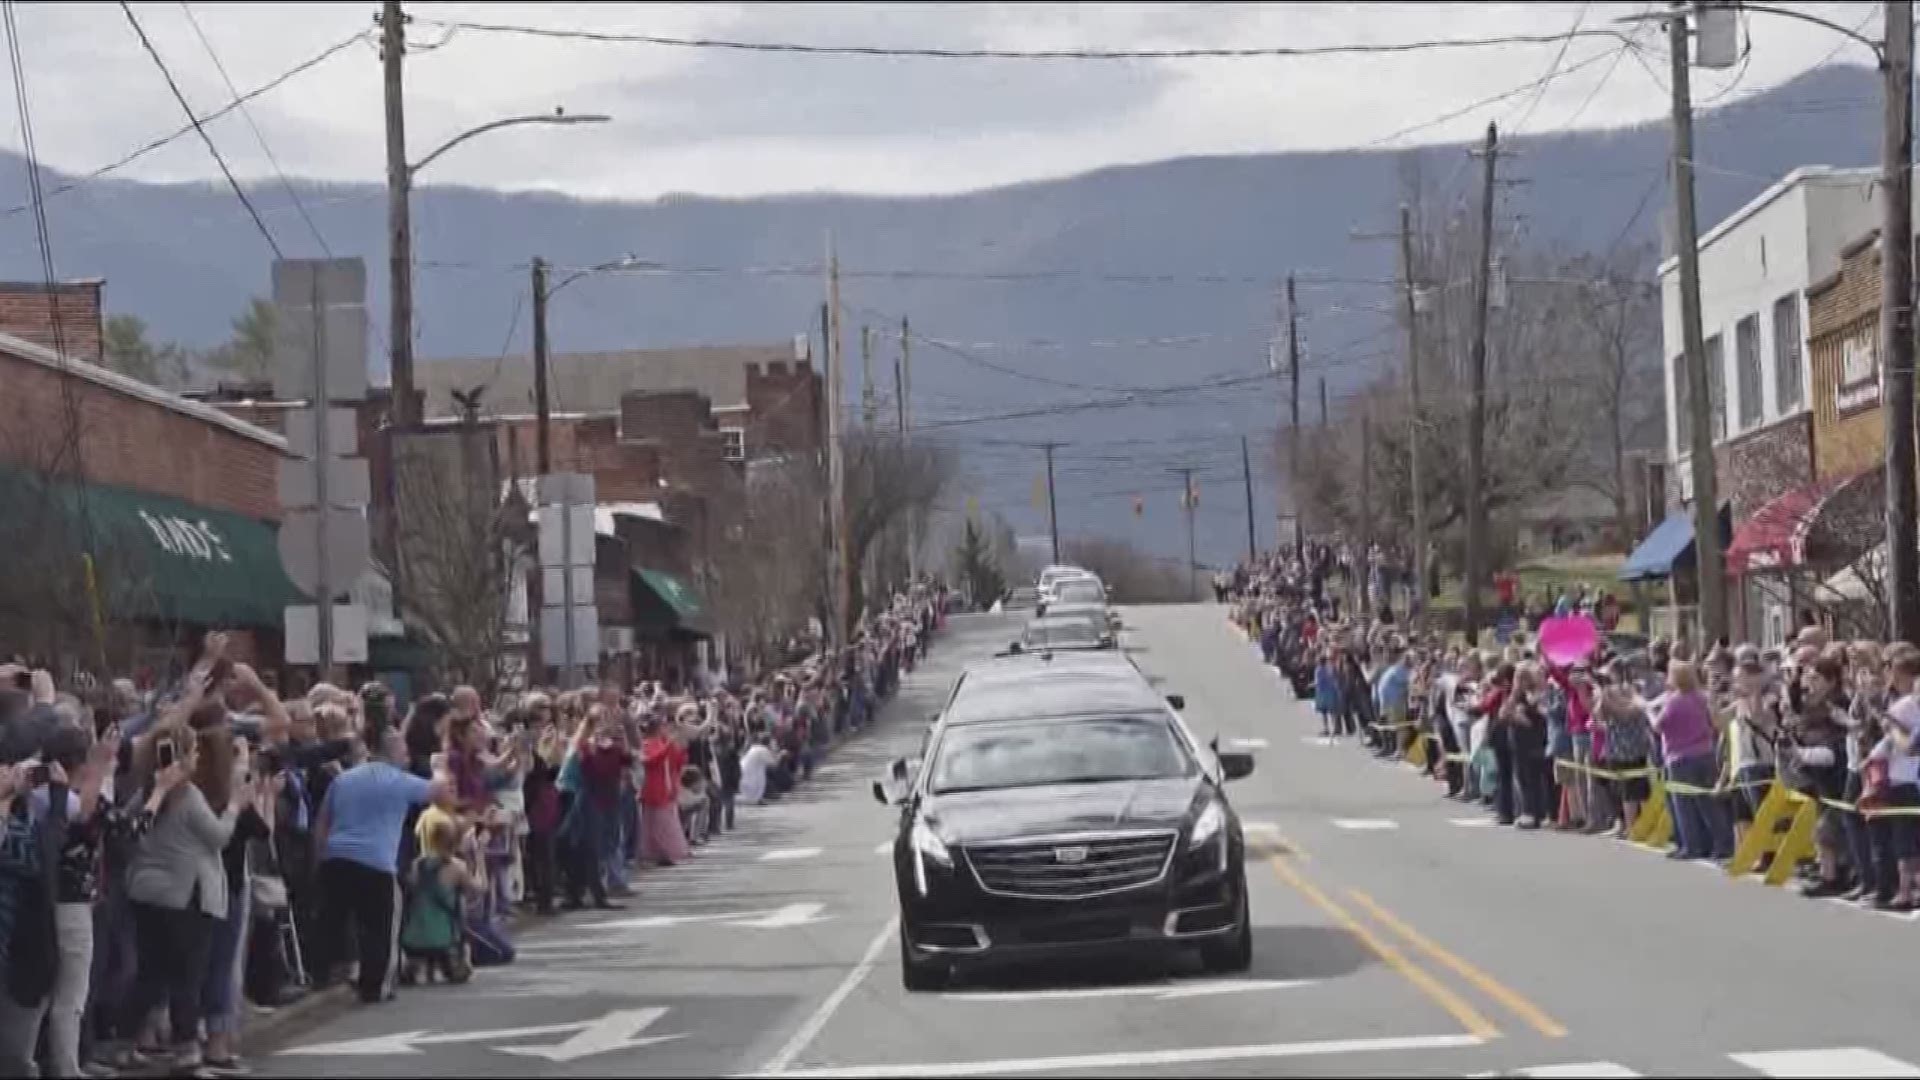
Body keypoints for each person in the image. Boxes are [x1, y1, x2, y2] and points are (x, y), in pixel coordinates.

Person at [312, 728, 441, 1004]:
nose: (406, 756)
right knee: (380, 928)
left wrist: (322, 856)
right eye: (403, 750)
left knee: (332, 921)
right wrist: (441, 767)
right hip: (376, 864)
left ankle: (320, 976)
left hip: (336, 859)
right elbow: (439, 792)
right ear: (390, 751)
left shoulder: (343, 779)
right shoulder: (399, 780)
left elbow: (323, 821)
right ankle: (375, 985)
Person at [1653, 661, 1734, 862]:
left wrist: (1649, 711)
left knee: (1684, 805)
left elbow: (1658, 726)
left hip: (1679, 757)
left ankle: (1692, 846)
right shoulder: (1702, 698)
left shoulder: (1674, 702)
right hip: (1705, 753)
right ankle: (1722, 844)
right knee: (1709, 803)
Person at [398, 815, 477, 987]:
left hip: (414, 937)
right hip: (445, 938)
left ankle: (415, 964)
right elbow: (476, 890)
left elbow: (410, 889)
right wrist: (480, 858)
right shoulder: (458, 867)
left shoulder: (417, 865)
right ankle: (453, 960)